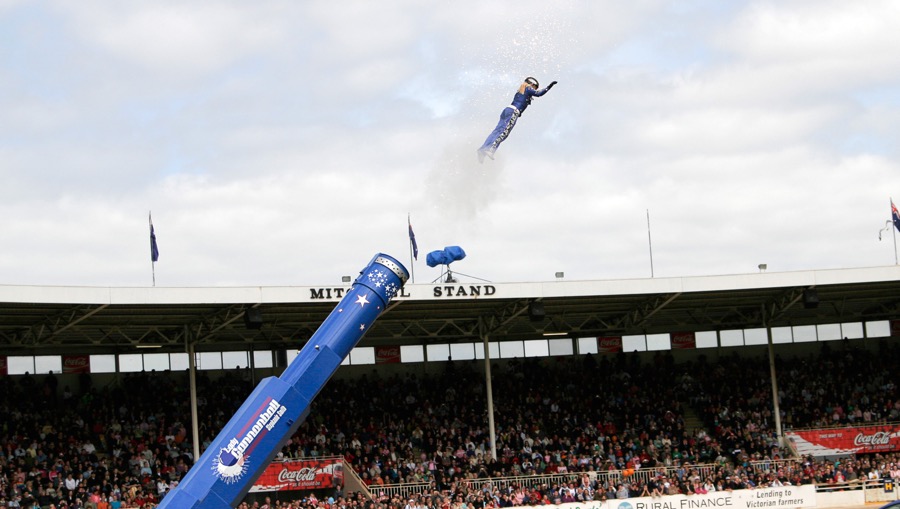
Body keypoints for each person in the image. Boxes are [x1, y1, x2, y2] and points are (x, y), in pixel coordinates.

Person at [477, 77, 557, 162]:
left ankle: (483, 149)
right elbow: (539, 93)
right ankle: (490, 149)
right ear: (532, 84)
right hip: (514, 112)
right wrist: (549, 86)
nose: (535, 90)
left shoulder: (520, 91)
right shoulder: (528, 88)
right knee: (504, 132)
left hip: (507, 110)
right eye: (535, 87)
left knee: (496, 131)